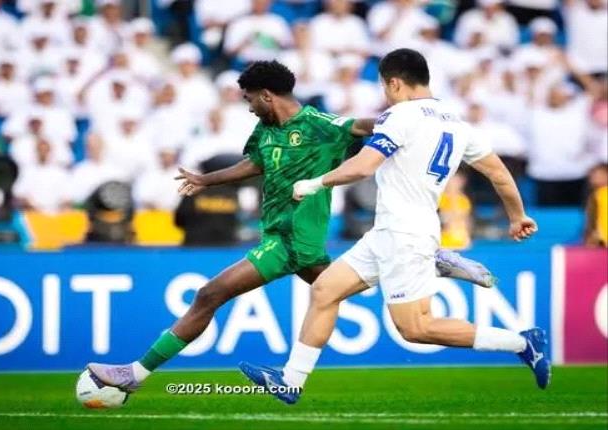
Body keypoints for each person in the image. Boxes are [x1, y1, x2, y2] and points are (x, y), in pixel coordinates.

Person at [85, 60, 496, 393]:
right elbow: (255, 163)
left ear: (266, 95)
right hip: (293, 242)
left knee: (209, 294)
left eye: (249, 99)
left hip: (289, 241)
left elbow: (369, 125)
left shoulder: (321, 125)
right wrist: (207, 180)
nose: (248, 107)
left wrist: (419, 118)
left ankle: (135, 373)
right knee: (344, 290)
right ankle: (431, 262)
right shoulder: (265, 129)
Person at [239, 49, 550, 405]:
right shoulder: (457, 123)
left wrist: (315, 183)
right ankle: (291, 380)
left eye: (384, 87)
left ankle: (522, 342)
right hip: (390, 231)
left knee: (415, 328)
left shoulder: (398, 116)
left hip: (405, 234)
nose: (385, 95)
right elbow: (499, 174)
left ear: (395, 83)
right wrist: (517, 216)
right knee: (325, 290)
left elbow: (363, 166)